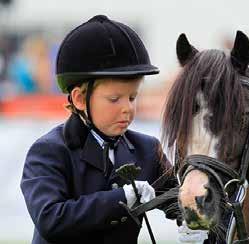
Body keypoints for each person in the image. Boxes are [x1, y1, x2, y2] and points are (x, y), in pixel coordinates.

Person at [20, 15, 177, 244]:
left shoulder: (148, 149)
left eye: (132, 97)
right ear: (80, 99)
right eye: (114, 99)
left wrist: (196, 217)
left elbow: (180, 203)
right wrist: (120, 198)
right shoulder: (49, 151)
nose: (128, 109)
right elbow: (50, 219)